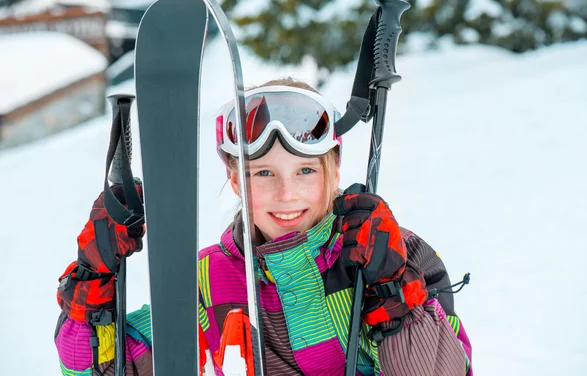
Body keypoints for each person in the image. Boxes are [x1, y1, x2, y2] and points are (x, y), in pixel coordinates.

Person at [55, 78, 473, 376]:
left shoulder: (395, 256)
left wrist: (391, 291)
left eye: (306, 170)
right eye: (264, 174)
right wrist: (92, 286)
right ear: (236, 179)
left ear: (335, 168)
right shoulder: (207, 280)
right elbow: (101, 370)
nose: (287, 194)